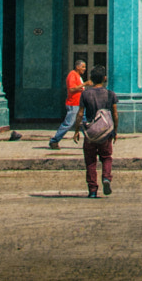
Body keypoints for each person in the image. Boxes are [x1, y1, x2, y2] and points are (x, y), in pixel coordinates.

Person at [78, 65, 119, 198]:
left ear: (91, 78)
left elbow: (80, 114)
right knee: (106, 157)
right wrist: (115, 131)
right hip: (105, 132)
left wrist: (76, 130)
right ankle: (106, 178)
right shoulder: (110, 94)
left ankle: (93, 190)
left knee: (90, 161)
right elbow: (115, 114)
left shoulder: (85, 94)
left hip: (90, 132)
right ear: (105, 78)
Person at [48, 58, 87, 150]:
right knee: (69, 123)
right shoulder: (72, 75)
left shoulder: (78, 76)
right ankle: (54, 141)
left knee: (84, 123)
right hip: (74, 103)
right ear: (77, 67)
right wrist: (84, 84)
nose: (84, 69)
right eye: (83, 67)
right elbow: (72, 89)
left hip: (80, 104)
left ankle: (91, 142)